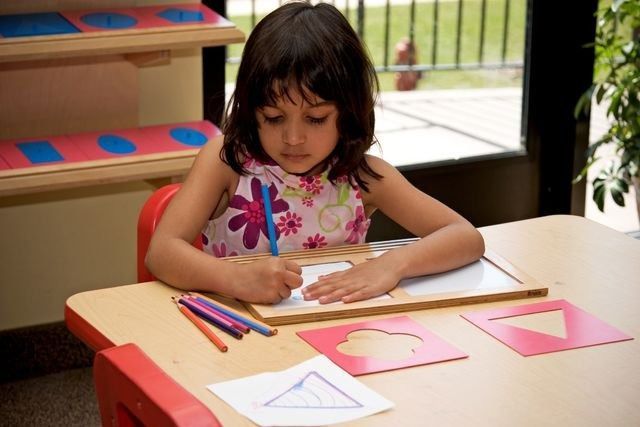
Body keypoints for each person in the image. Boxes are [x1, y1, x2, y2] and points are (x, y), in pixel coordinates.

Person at [146, 1, 484, 305]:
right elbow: (162, 252)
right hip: (241, 334)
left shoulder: (362, 176)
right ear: (252, 112)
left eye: (316, 118)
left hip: (333, 339)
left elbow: (465, 237)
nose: (293, 137)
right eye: (274, 117)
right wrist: (237, 279)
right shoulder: (227, 161)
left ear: (348, 111)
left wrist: (391, 265)